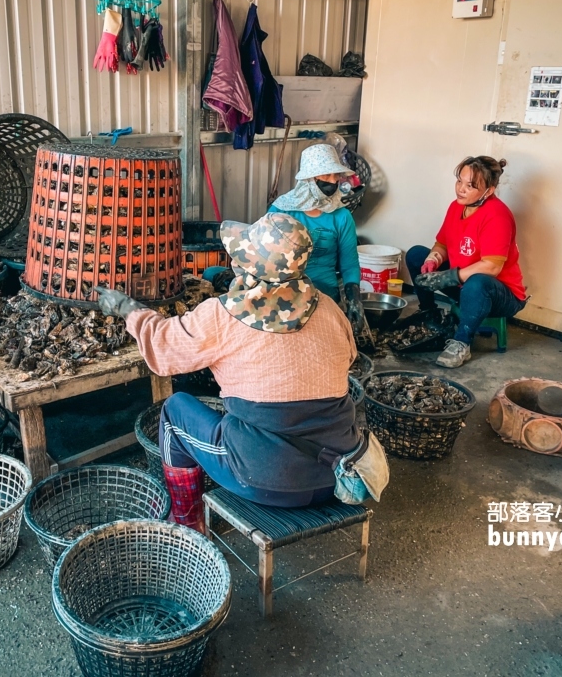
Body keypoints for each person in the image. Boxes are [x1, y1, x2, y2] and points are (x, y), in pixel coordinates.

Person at [96, 213, 361, 533]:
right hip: (338, 472)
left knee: (174, 411)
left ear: (249, 267)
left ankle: (187, 521)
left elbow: (163, 349)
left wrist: (127, 308)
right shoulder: (329, 309)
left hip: (266, 480)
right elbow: (347, 359)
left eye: (241, 257)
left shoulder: (224, 314)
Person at [406, 156, 527, 368]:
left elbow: (492, 266)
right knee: (416, 254)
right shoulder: (456, 207)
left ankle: (462, 342)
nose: (461, 189)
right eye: (459, 181)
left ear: (488, 191)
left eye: (470, 186)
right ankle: (429, 315)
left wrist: (447, 277)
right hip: (464, 284)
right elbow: (442, 244)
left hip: (500, 294)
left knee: (477, 282)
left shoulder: (497, 216)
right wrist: (433, 260)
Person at [267, 142, 364, 334]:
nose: (332, 181)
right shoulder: (281, 210)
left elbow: (349, 264)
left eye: (335, 175)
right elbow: (264, 256)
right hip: (283, 289)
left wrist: (354, 299)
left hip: (324, 292)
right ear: (309, 179)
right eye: (325, 175)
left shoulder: (341, 216)